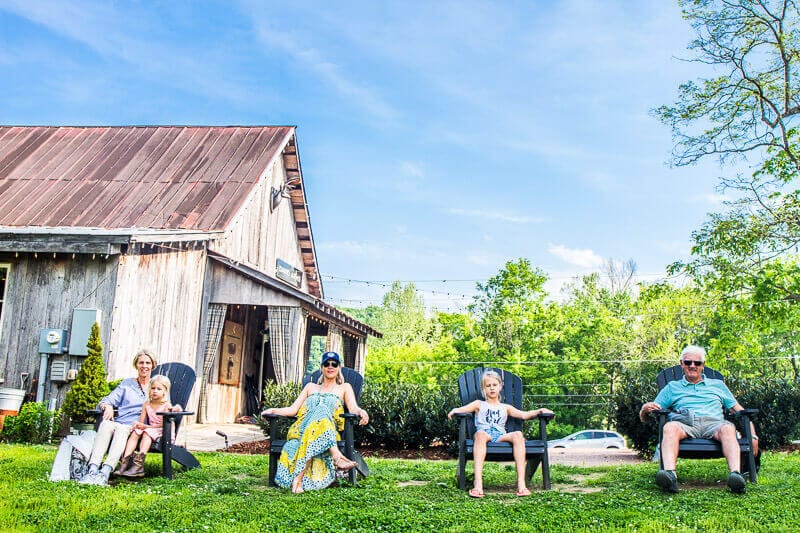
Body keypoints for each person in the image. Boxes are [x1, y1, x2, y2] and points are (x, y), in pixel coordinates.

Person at [640, 345, 758, 494]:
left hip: (714, 423)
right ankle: (670, 475)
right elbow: (649, 413)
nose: (692, 366)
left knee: (728, 428)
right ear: (681, 364)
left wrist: (753, 435)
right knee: (669, 427)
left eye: (697, 363)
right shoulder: (672, 387)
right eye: (688, 362)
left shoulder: (718, 385)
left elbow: (739, 410)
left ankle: (736, 476)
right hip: (685, 423)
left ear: (703, 365)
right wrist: (645, 409)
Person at [261, 351, 368, 493]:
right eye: (326, 364)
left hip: (326, 430)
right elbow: (293, 410)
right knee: (321, 409)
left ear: (339, 368)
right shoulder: (310, 387)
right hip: (302, 429)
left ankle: (298, 479)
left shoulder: (345, 387)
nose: (330, 367)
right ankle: (336, 456)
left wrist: (361, 411)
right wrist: (273, 410)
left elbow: (353, 407)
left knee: (322, 409)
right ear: (322, 368)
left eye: (334, 364)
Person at [447, 369, 554, 498]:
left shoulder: (505, 407)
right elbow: (463, 409)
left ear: (500, 386)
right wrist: (454, 410)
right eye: (488, 386)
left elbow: (524, 415)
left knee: (518, 435)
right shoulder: (479, 404)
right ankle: (478, 483)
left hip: (499, 436)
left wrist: (540, 410)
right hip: (483, 434)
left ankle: (521, 484)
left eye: (494, 385)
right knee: (480, 434)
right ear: (483, 389)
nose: (492, 388)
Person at [79, 349, 157, 486]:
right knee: (106, 424)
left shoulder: (155, 386)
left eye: (147, 363)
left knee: (121, 430)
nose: (144, 366)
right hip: (119, 420)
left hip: (135, 426)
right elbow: (107, 400)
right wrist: (107, 406)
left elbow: (164, 405)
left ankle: (105, 471)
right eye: (141, 363)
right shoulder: (127, 384)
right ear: (136, 365)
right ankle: (93, 469)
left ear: (153, 365)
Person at [114, 374, 180, 478]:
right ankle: (124, 463)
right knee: (137, 431)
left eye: (159, 389)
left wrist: (146, 427)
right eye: (153, 388)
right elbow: (142, 422)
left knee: (146, 433)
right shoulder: (147, 404)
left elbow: (163, 424)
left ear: (165, 391)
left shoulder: (166, 405)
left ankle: (138, 466)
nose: (155, 391)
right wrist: (138, 425)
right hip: (151, 429)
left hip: (163, 430)